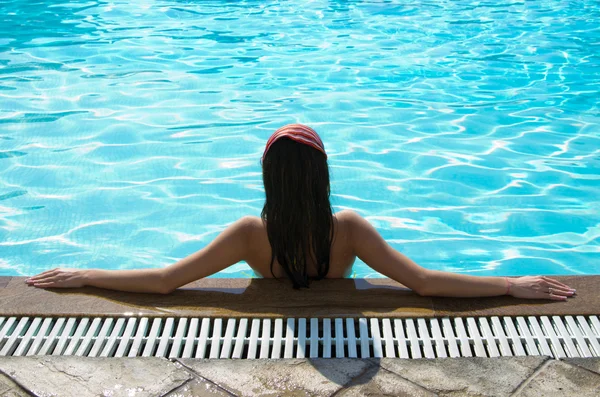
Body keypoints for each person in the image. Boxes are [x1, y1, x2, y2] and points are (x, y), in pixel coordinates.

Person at [27, 124, 576, 301]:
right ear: (324, 177)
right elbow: (425, 282)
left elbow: (168, 280)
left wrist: (85, 276)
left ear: (268, 177)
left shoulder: (249, 234)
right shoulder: (350, 229)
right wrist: (509, 285)